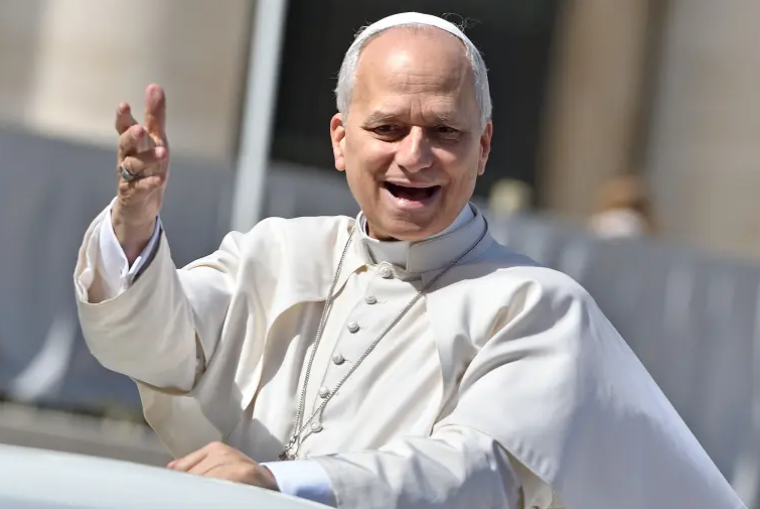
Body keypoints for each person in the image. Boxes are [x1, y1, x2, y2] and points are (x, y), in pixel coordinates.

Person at [73, 12, 744, 509]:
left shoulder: (536, 306)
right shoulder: (278, 252)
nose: (415, 156)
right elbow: (151, 346)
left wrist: (283, 483)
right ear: (342, 140)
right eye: (388, 128)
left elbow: (473, 473)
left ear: (483, 147)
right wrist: (135, 222)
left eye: (444, 131)